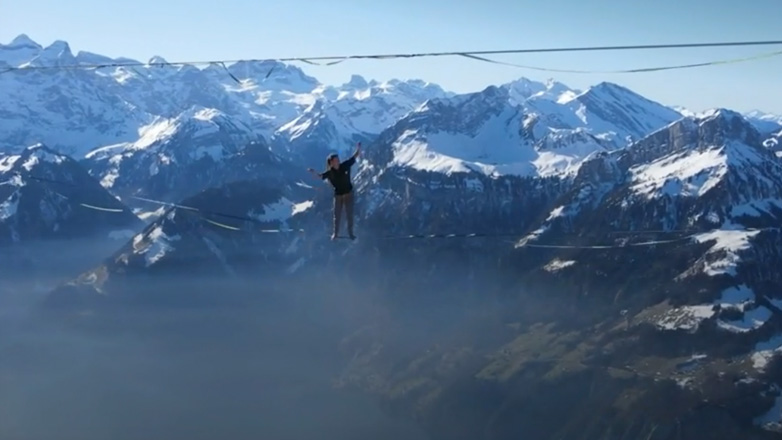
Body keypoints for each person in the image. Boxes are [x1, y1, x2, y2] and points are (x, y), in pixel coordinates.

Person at [308, 142, 361, 240]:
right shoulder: (330, 173)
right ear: (331, 163)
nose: (338, 161)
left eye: (338, 160)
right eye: (336, 160)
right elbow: (320, 176)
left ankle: (351, 233)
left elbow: (354, 156)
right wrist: (313, 172)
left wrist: (358, 148)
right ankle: (335, 234)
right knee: (337, 215)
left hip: (349, 194)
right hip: (338, 196)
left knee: (349, 214)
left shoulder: (345, 165)